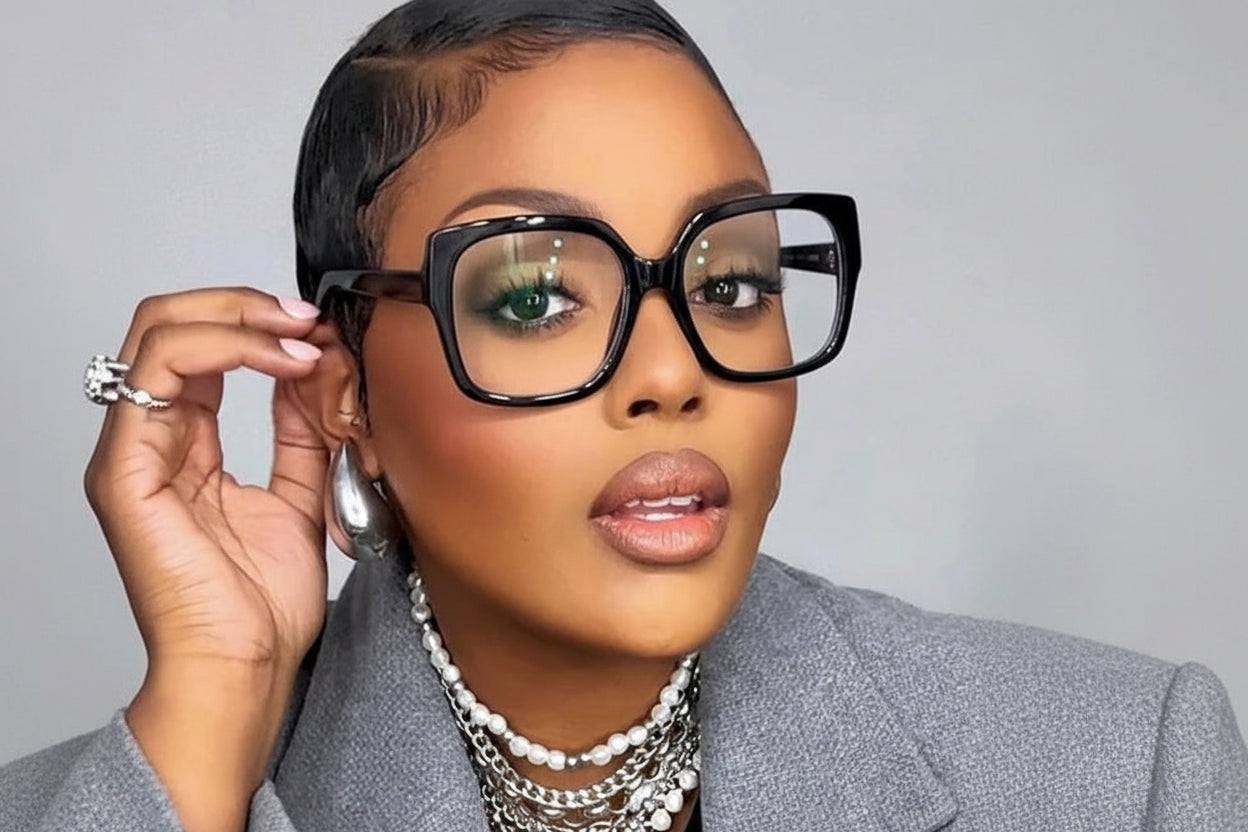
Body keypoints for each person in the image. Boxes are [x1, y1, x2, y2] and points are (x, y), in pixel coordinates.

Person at [2, 1, 1247, 830]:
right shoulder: (126, 797)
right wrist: (213, 701)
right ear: (347, 397)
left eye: (732, 283)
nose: (670, 370)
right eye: (535, 296)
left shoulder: (1124, 768)